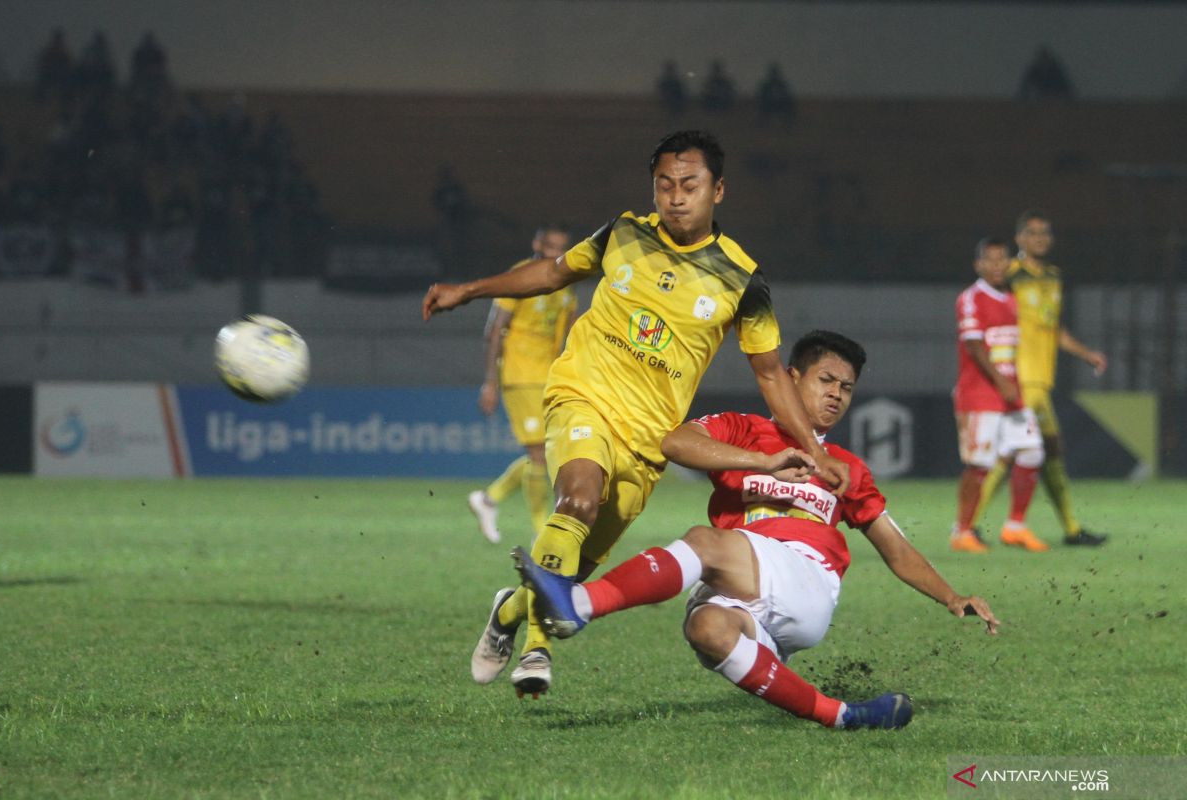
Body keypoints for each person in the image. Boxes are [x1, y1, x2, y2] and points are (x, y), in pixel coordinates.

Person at [423, 130, 850, 698]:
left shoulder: (742, 279)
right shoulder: (622, 233)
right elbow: (553, 273)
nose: (675, 197)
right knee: (576, 497)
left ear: (717, 190)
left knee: (575, 569)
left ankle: (509, 612)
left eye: (689, 186)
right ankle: (536, 652)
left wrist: (816, 453)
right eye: (664, 186)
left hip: (649, 439)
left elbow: (771, 373)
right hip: (584, 394)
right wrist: (469, 290)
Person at [514, 330, 999, 729]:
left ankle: (578, 605)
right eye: (825, 380)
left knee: (703, 541)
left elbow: (894, 547)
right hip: (745, 594)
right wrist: (763, 461)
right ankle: (843, 715)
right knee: (705, 628)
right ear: (791, 380)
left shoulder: (844, 467)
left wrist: (952, 596)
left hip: (806, 581)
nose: (835, 394)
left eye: (846, 388)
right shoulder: (743, 429)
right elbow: (676, 443)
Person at [970, 211, 1109, 546]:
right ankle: (968, 526)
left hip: (1041, 379)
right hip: (1020, 377)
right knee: (1017, 450)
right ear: (1019, 239)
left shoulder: (1052, 276)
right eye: (1032, 233)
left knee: (1049, 450)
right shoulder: (1010, 276)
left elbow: (1053, 329)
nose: (1039, 239)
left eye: (1044, 233)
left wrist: (1087, 353)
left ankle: (1072, 529)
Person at [468, 225, 576, 543]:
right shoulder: (520, 277)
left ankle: (488, 500)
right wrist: (490, 382)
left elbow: (567, 335)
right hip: (518, 374)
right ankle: (540, 529)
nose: (556, 254)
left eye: (561, 248)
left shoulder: (565, 287)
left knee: (543, 454)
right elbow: (495, 329)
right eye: (550, 247)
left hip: (547, 376)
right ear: (537, 244)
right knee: (539, 454)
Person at [950, 238, 1046, 553]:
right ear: (978, 265)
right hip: (980, 394)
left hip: (1010, 394)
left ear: (1009, 263)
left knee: (1032, 451)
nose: (996, 266)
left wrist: (1014, 383)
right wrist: (1000, 381)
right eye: (989, 260)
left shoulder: (1011, 298)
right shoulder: (971, 298)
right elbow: (974, 345)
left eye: (1001, 260)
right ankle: (962, 532)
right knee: (979, 465)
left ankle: (1015, 527)